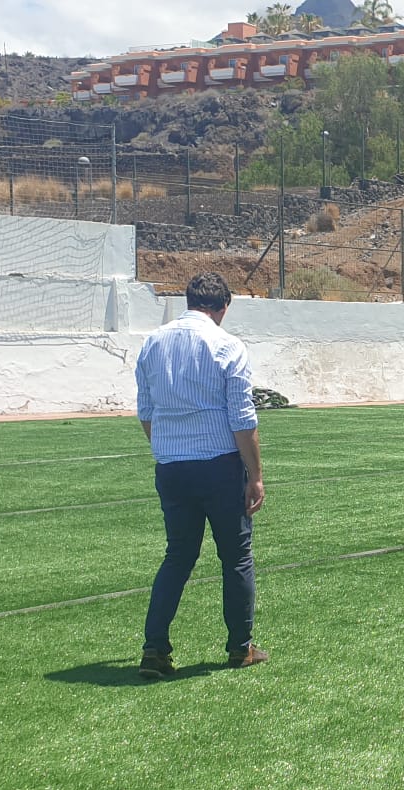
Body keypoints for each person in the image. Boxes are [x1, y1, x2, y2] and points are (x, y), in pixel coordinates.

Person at [133, 272, 268, 678]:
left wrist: (170, 449)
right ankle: (239, 647)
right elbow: (243, 419)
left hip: (171, 466)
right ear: (223, 307)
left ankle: (154, 649)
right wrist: (255, 475)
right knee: (236, 558)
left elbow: (146, 412)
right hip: (218, 465)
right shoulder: (227, 345)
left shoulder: (152, 343)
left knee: (178, 556)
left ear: (188, 301)